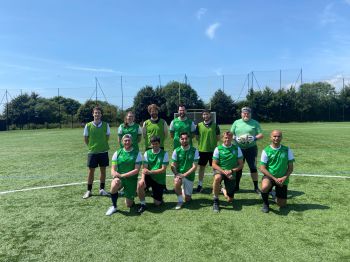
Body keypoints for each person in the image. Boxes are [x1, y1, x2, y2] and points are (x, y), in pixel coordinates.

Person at [105, 134, 142, 216]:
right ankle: (114, 206)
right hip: (120, 179)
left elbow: (136, 170)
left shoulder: (137, 153)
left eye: (129, 140)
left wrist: (122, 175)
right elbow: (113, 168)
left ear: (131, 141)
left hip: (131, 180)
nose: (127, 142)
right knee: (115, 183)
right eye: (125, 140)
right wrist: (114, 175)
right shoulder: (117, 153)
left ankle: (129, 195)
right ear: (122, 142)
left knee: (129, 205)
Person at [259, 130, 294, 213]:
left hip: (282, 179)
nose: (276, 138)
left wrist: (284, 177)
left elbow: (290, 168)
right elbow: (262, 168)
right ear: (271, 137)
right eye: (274, 136)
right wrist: (274, 179)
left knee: (282, 204)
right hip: (270, 177)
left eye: (278, 136)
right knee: (264, 187)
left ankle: (273, 194)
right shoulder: (266, 150)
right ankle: (265, 204)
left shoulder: (287, 150)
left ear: (281, 137)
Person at [230, 106, 263, 193]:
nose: (246, 115)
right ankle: (236, 186)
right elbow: (230, 134)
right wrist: (235, 138)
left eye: (248, 113)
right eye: (244, 113)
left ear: (250, 114)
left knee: (253, 167)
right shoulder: (236, 122)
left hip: (251, 148)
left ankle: (256, 187)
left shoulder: (255, 123)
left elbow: (261, 135)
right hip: (239, 149)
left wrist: (254, 138)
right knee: (238, 168)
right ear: (241, 114)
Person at [211, 132, 244, 212]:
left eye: (229, 137)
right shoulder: (218, 149)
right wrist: (224, 172)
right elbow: (214, 164)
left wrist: (231, 171)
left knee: (230, 199)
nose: (227, 139)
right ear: (222, 138)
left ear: (232, 138)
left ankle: (223, 190)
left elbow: (241, 165)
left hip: (231, 172)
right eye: (225, 137)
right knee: (217, 178)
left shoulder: (237, 148)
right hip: (220, 170)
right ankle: (215, 200)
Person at [83, 106, 110, 199]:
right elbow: (86, 139)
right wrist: (92, 146)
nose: (97, 114)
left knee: (103, 171)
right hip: (93, 152)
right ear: (93, 114)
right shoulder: (88, 125)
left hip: (103, 151)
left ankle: (102, 189)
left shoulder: (106, 125)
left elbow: (107, 137)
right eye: (95, 113)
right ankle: (89, 190)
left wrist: (101, 145)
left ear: (101, 114)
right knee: (91, 172)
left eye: (99, 113)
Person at [137, 136, 169, 213]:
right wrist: (142, 179)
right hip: (149, 177)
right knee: (140, 185)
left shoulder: (164, 153)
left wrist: (151, 172)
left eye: (156, 144)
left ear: (159, 144)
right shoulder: (147, 153)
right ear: (150, 144)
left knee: (157, 203)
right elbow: (144, 168)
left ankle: (158, 197)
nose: (155, 145)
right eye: (153, 144)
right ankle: (143, 204)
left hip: (159, 179)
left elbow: (163, 169)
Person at [171, 132, 199, 210]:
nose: (184, 140)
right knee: (177, 181)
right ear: (179, 140)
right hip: (180, 174)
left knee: (188, 199)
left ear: (189, 139)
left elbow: (194, 167)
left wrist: (185, 175)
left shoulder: (194, 150)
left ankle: (183, 190)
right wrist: (176, 173)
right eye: (182, 139)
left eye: (186, 138)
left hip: (189, 176)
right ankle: (180, 201)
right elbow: (173, 165)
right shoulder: (176, 150)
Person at [195, 109, 220, 192]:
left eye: (207, 114)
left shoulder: (215, 125)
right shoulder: (198, 125)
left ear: (210, 115)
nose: (205, 116)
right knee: (201, 168)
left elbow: (218, 138)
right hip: (202, 150)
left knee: (215, 168)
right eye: (204, 114)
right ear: (202, 116)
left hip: (213, 151)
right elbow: (197, 137)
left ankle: (217, 185)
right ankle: (200, 184)